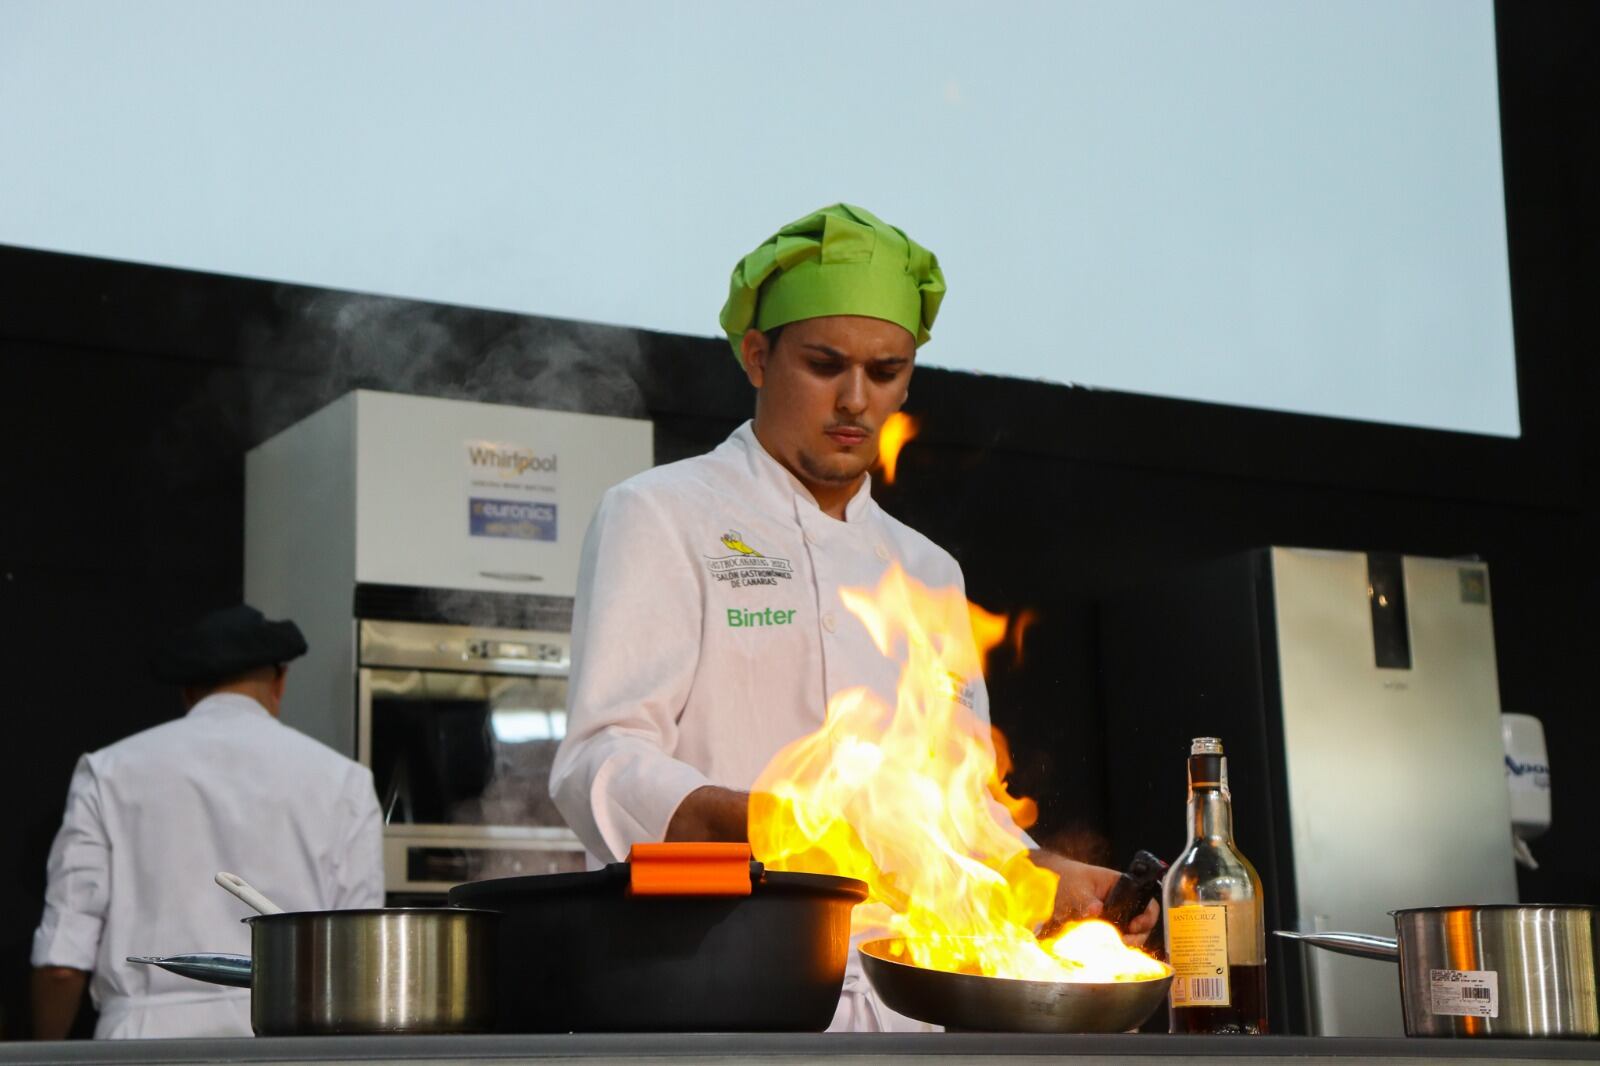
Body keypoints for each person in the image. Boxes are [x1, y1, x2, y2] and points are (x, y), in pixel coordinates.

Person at [550, 203, 1155, 1029]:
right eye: (825, 364)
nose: (855, 400)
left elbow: (960, 813)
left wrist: (1045, 876)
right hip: (717, 991)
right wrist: (759, 820)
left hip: (909, 1007)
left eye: (885, 371)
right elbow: (600, 760)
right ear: (757, 356)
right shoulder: (661, 515)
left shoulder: (926, 570)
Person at [30, 605, 385, 1040]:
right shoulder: (344, 781)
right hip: (291, 1041)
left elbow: (63, 965)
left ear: (188, 692)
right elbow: (363, 958)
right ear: (280, 682)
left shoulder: (109, 772)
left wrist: (43, 1054)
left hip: (141, 1046)